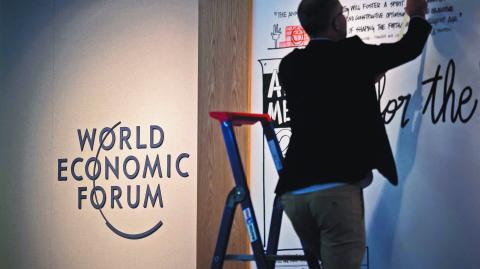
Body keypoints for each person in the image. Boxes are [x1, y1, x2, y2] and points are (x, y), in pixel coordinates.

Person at [276, 0, 432, 268]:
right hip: (334, 193)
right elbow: (409, 47)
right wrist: (416, 14)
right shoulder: (353, 55)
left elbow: (325, 90)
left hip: (294, 195)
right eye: (342, 14)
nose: (345, 19)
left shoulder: (290, 65)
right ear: (337, 22)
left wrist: (360, 79)